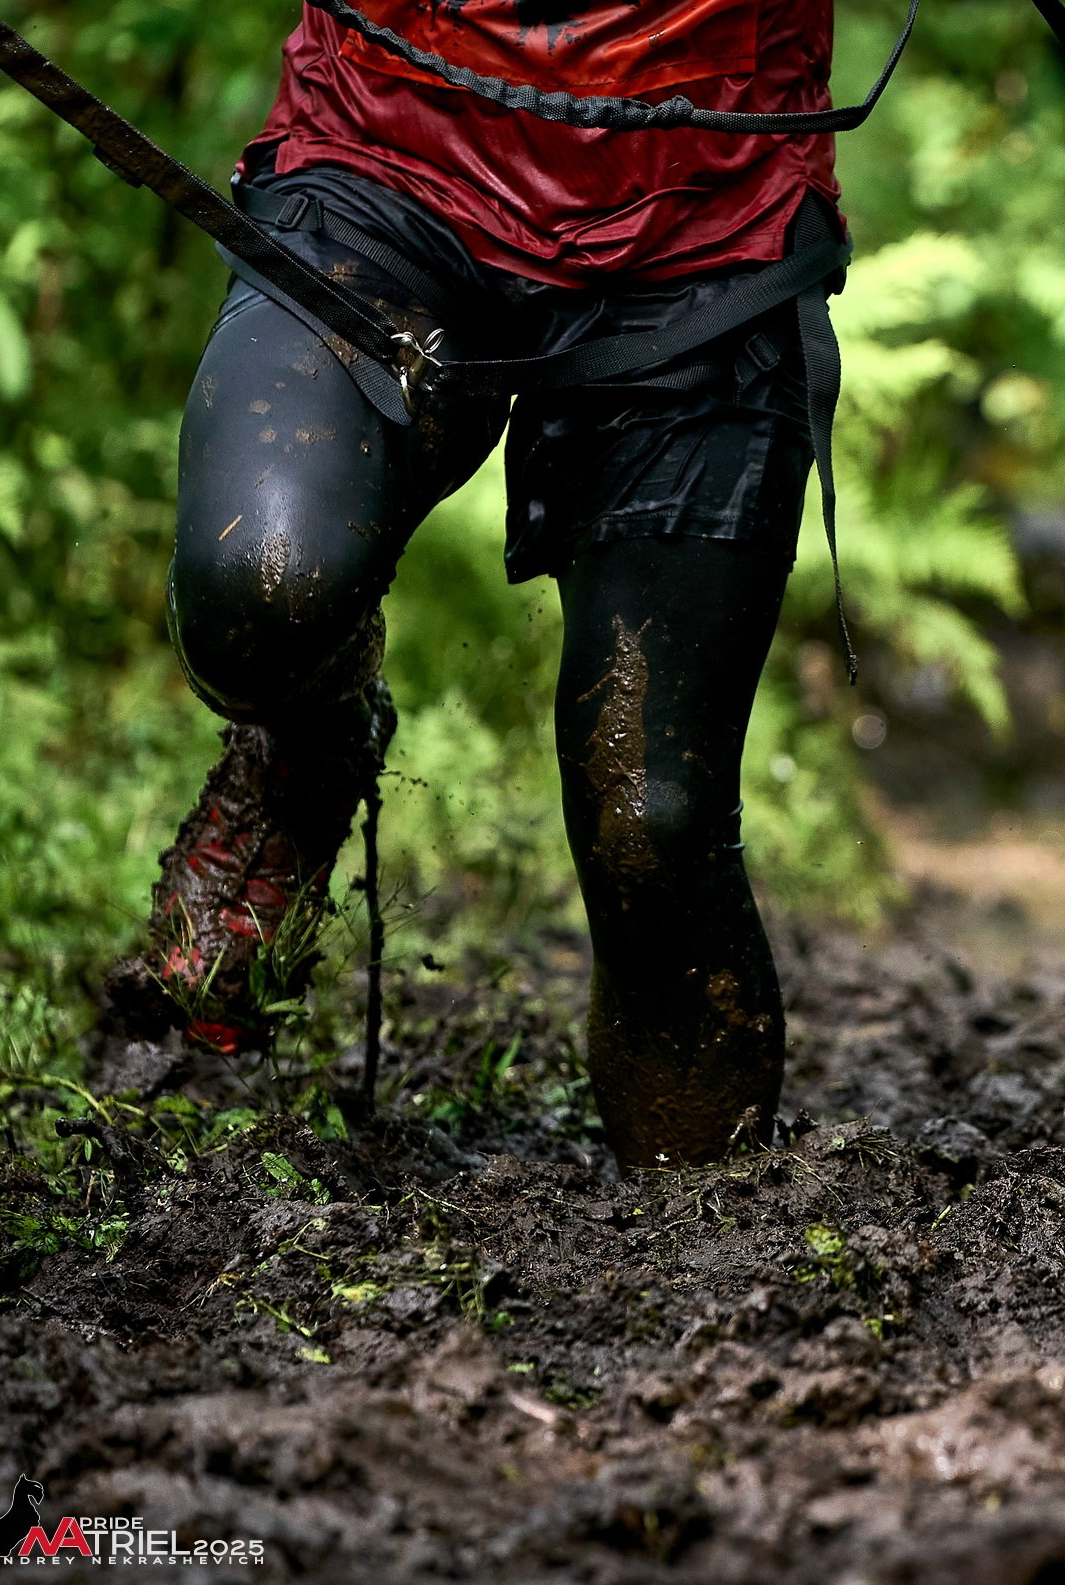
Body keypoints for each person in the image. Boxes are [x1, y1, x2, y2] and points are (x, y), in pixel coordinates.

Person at [101, 0, 846, 1168]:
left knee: (652, 821)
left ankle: (717, 1233)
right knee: (261, 589)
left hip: (713, 218)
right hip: (382, 160)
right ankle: (309, 743)